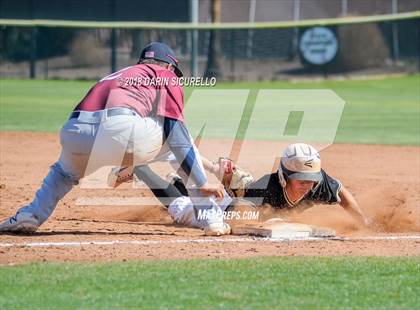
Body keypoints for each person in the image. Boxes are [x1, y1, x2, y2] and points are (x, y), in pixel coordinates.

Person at [0, 42, 230, 236]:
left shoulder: (118, 75)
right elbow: (176, 135)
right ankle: (209, 216)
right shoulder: (165, 75)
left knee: (63, 172)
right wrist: (202, 182)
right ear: (169, 65)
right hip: (122, 132)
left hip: (74, 132)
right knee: (175, 131)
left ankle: (31, 214)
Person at [110, 143, 369, 229]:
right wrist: (272, 220)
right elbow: (236, 215)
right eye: (302, 181)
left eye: (311, 181)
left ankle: (187, 179)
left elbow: (342, 194)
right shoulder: (266, 187)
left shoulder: (317, 182)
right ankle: (139, 168)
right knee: (179, 208)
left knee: (234, 179)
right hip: (225, 209)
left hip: (241, 197)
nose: (307, 187)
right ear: (284, 176)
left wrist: (362, 221)